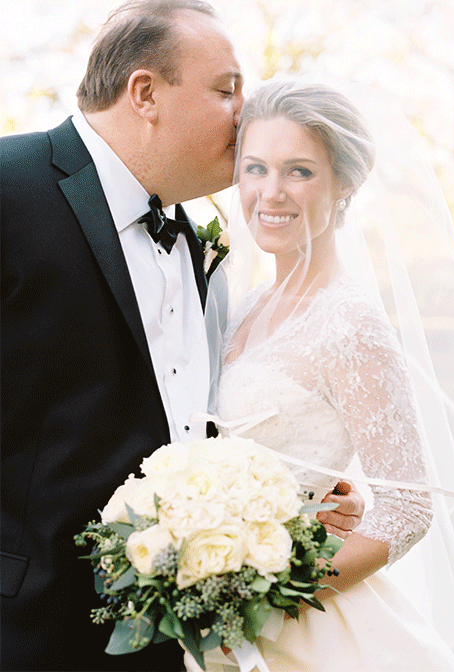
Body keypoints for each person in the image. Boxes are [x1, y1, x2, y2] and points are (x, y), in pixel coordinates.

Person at [0, 3, 362, 670]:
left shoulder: (198, 243)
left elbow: (188, 420)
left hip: (175, 632)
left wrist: (294, 490)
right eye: (227, 90)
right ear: (145, 94)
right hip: (27, 628)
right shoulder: (9, 185)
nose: (247, 114)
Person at [187, 79, 454, 671]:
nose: (271, 192)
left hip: (299, 625)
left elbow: (409, 509)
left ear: (345, 184)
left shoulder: (351, 323)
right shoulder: (247, 302)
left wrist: (264, 597)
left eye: (299, 171)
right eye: (255, 167)